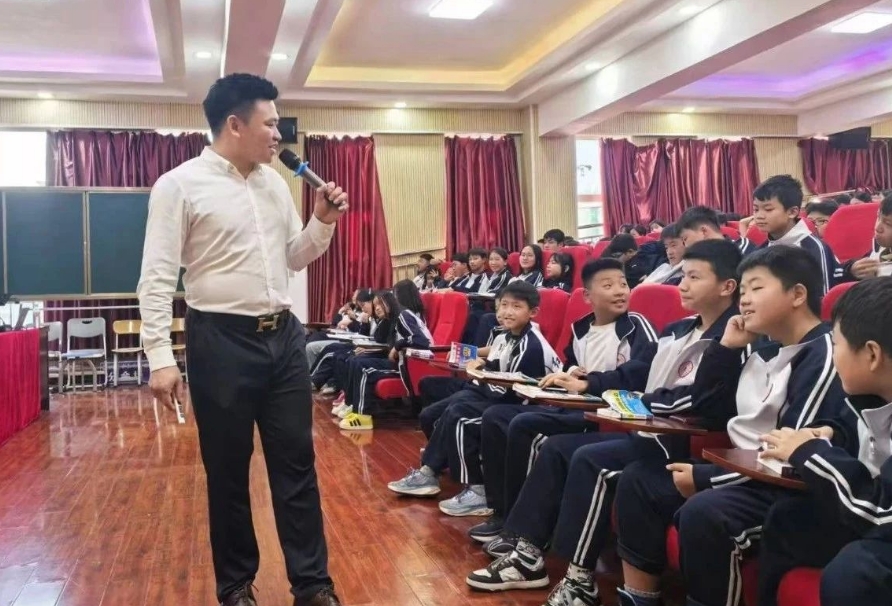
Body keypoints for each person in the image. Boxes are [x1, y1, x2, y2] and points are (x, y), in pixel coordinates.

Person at [137, 73, 346, 606]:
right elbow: (156, 277)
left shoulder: (274, 184)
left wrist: (321, 222)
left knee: (296, 465)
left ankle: (312, 585)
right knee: (228, 471)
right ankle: (235, 587)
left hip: (284, 339)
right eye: (270, 124)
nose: (279, 134)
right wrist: (160, 357)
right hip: (220, 342)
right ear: (235, 124)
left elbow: (292, 258)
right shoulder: (179, 185)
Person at [465, 240, 742, 599]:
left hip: (676, 440)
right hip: (642, 428)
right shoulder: (677, 329)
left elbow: (698, 397)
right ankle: (528, 553)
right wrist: (593, 383)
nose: (682, 285)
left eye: (693, 277)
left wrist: (633, 398)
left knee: (588, 459)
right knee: (557, 449)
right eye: (683, 276)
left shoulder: (733, 340)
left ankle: (579, 579)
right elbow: (644, 376)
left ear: (727, 286)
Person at [613, 245, 845, 606]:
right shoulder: (761, 348)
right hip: (745, 472)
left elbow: (789, 457)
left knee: (706, 513)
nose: (745, 300)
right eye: (744, 290)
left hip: (790, 491)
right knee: (641, 479)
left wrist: (706, 478)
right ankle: (639, 598)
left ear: (798, 295)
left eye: (757, 288)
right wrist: (725, 349)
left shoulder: (823, 354)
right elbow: (707, 409)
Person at [755, 277, 892, 606]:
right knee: (790, 520)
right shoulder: (872, 396)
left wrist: (808, 452)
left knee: (855, 572)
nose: (833, 356)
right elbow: (861, 432)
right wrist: (831, 434)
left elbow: (881, 512)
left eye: (837, 344)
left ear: (872, 354)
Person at [751, 174, 838, 294]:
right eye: (756, 209)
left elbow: (822, 296)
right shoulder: (760, 250)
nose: (759, 216)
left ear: (792, 212)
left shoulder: (813, 248)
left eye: (768, 209)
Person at [840, 193, 892, 281]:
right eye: (878, 217)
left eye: (888, 224)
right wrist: (852, 270)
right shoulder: (882, 249)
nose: (877, 228)